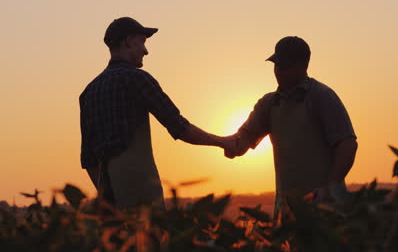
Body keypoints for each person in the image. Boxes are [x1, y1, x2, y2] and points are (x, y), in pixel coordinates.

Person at [79, 17, 233, 210]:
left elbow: (88, 159)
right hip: (141, 189)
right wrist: (223, 142)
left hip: (107, 197)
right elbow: (180, 127)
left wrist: (107, 196)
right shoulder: (137, 79)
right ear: (128, 41)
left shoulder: (88, 92)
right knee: (150, 239)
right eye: (142, 42)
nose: (146, 50)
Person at [225, 36, 358, 219]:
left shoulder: (322, 97)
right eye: (276, 65)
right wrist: (210, 140)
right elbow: (240, 142)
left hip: (326, 211)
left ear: (303, 66)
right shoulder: (269, 104)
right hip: (287, 213)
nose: (279, 70)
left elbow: (347, 145)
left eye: (285, 66)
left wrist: (328, 189)